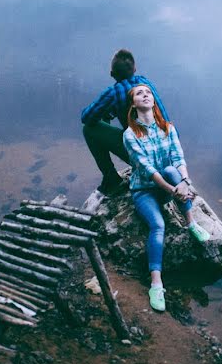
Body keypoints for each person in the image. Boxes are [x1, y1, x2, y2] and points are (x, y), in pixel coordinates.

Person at [123, 84, 210, 312]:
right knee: (158, 225)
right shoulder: (130, 135)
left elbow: (178, 158)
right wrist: (174, 191)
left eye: (148, 92)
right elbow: (148, 169)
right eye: (139, 93)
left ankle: (190, 223)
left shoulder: (167, 128)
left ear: (153, 100)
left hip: (168, 183)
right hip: (144, 190)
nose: (145, 95)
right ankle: (156, 284)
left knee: (173, 170)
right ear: (133, 104)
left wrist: (185, 183)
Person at [81, 49, 171, 195]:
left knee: (89, 129)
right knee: (110, 114)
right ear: (135, 69)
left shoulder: (114, 93)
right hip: (166, 156)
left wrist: (105, 110)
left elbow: (86, 118)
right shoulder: (145, 83)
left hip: (147, 160)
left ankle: (111, 179)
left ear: (112, 74)